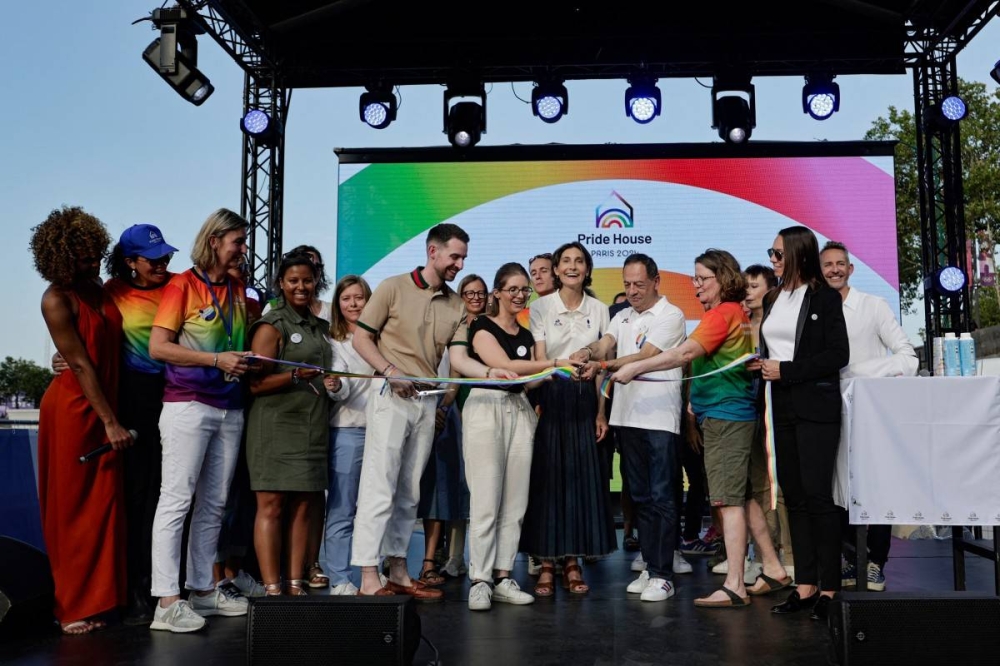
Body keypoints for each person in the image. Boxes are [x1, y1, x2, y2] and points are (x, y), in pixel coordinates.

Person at [612, 250, 790, 608]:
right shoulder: (734, 312)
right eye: (695, 278)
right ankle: (773, 567)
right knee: (745, 496)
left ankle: (736, 584)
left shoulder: (723, 313)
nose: (695, 285)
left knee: (727, 501)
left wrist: (634, 368)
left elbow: (683, 354)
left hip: (726, 417)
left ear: (722, 278)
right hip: (733, 413)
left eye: (701, 278)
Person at [51, 223, 181, 625]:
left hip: (175, 397)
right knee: (134, 498)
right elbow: (80, 352)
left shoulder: (181, 286)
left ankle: (159, 588)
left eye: (165, 256)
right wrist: (61, 363)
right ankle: (132, 591)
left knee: (166, 498)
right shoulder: (107, 291)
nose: (162, 263)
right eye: (151, 257)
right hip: (124, 403)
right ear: (129, 262)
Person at [350, 223, 471, 601]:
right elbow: (360, 337)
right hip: (391, 394)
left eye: (464, 258)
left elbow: (461, 359)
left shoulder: (457, 305)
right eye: (455, 256)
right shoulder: (391, 287)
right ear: (432, 251)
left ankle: (398, 571)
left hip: (427, 400)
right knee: (379, 485)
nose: (460, 264)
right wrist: (390, 371)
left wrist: (496, 373)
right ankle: (369, 576)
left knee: (409, 493)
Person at [148, 208, 253, 632]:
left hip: (229, 406)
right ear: (215, 241)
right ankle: (165, 601)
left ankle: (202, 590)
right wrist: (214, 358)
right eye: (238, 243)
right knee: (176, 500)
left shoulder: (239, 287)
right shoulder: (181, 285)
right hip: (188, 404)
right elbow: (158, 347)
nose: (243, 251)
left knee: (214, 504)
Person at [32, 206, 132, 635]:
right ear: (61, 258)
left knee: (104, 506)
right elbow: (80, 365)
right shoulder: (56, 298)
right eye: (84, 257)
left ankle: (102, 599)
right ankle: (70, 606)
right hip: (75, 411)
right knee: (73, 511)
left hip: (104, 403)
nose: (93, 263)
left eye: (95, 254)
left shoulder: (98, 288)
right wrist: (110, 421)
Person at [575, 253, 687, 602]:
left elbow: (646, 355)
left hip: (658, 420)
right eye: (627, 284)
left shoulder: (671, 315)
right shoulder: (621, 316)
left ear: (656, 281)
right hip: (627, 417)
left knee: (662, 496)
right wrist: (587, 351)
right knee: (639, 497)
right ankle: (651, 568)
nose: (633, 290)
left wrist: (601, 364)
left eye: (640, 284)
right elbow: (605, 343)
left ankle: (664, 575)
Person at [753, 226, 849, 621]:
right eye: (772, 254)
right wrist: (761, 366)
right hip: (780, 405)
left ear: (797, 254)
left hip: (815, 407)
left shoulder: (824, 298)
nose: (773, 260)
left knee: (816, 494)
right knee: (792, 495)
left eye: (778, 254)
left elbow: (837, 354)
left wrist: (786, 369)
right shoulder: (775, 297)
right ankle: (805, 584)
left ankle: (829, 587)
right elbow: (772, 349)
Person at [820, 241, 917, 592]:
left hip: (870, 416)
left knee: (873, 490)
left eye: (839, 264)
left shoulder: (873, 306)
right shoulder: (813, 310)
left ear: (850, 269)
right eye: (827, 264)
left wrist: (858, 373)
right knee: (835, 491)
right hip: (827, 414)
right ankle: (851, 560)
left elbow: (908, 357)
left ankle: (876, 562)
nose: (834, 270)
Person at [520, 241, 616, 596]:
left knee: (578, 482)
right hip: (553, 396)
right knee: (549, 481)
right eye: (566, 262)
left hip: (586, 402)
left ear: (588, 269)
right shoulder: (541, 307)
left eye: (579, 261)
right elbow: (542, 358)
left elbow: (603, 369)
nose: (572, 267)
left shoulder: (600, 309)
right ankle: (546, 563)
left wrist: (601, 410)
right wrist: (556, 379)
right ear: (556, 270)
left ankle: (573, 562)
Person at [246, 252, 345, 596]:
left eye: (307, 280)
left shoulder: (321, 327)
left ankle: (294, 580)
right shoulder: (271, 325)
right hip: (275, 429)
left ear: (317, 281)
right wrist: (293, 376)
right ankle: (272, 586)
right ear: (280, 284)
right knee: (271, 506)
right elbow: (254, 384)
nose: (301, 286)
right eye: (293, 281)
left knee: (305, 505)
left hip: (312, 428)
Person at [463, 263, 551, 611]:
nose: (519, 295)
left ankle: (502, 576)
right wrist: (554, 362)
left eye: (524, 289)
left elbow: (527, 382)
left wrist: (558, 373)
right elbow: (502, 367)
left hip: (521, 410)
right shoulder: (481, 327)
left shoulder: (527, 336)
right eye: (512, 289)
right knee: (486, 500)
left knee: (515, 502)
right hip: (487, 408)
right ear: (496, 293)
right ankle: (479, 580)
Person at [418, 273, 487, 584]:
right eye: (468, 292)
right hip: (446, 410)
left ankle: (457, 556)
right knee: (444, 484)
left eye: (480, 293)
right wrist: (443, 406)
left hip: (478, 409)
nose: (474, 298)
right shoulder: (450, 324)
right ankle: (439, 555)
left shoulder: (491, 328)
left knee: (466, 486)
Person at [322, 275, 374, 596]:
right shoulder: (333, 341)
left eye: (360, 298)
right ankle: (339, 578)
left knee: (376, 506)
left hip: (382, 431)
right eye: (346, 299)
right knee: (343, 507)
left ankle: (372, 573)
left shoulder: (382, 337)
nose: (354, 304)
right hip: (347, 430)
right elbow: (342, 386)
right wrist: (337, 386)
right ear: (338, 305)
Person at [743, 264, 794, 582]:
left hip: (776, 410)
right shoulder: (739, 324)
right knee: (756, 486)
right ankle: (764, 555)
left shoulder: (780, 325)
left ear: (770, 288)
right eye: (744, 286)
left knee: (780, 486)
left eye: (753, 285)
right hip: (746, 412)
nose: (747, 291)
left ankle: (789, 555)